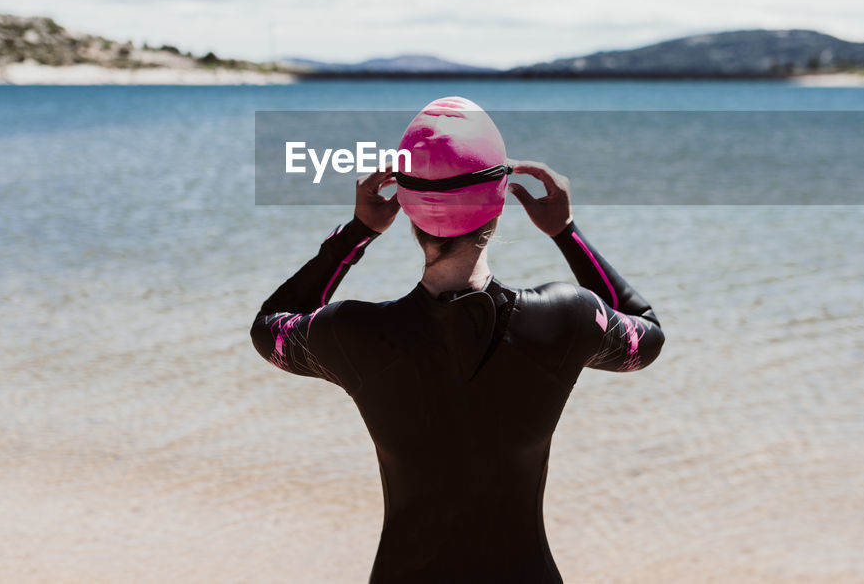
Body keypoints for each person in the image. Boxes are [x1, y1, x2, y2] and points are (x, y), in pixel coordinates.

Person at [250, 97, 664, 583]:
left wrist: (356, 233)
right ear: (501, 199)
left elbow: (271, 326)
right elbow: (646, 334)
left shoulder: (353, 333)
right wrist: (566, 232)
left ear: (404, 208)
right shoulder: (568, 318)